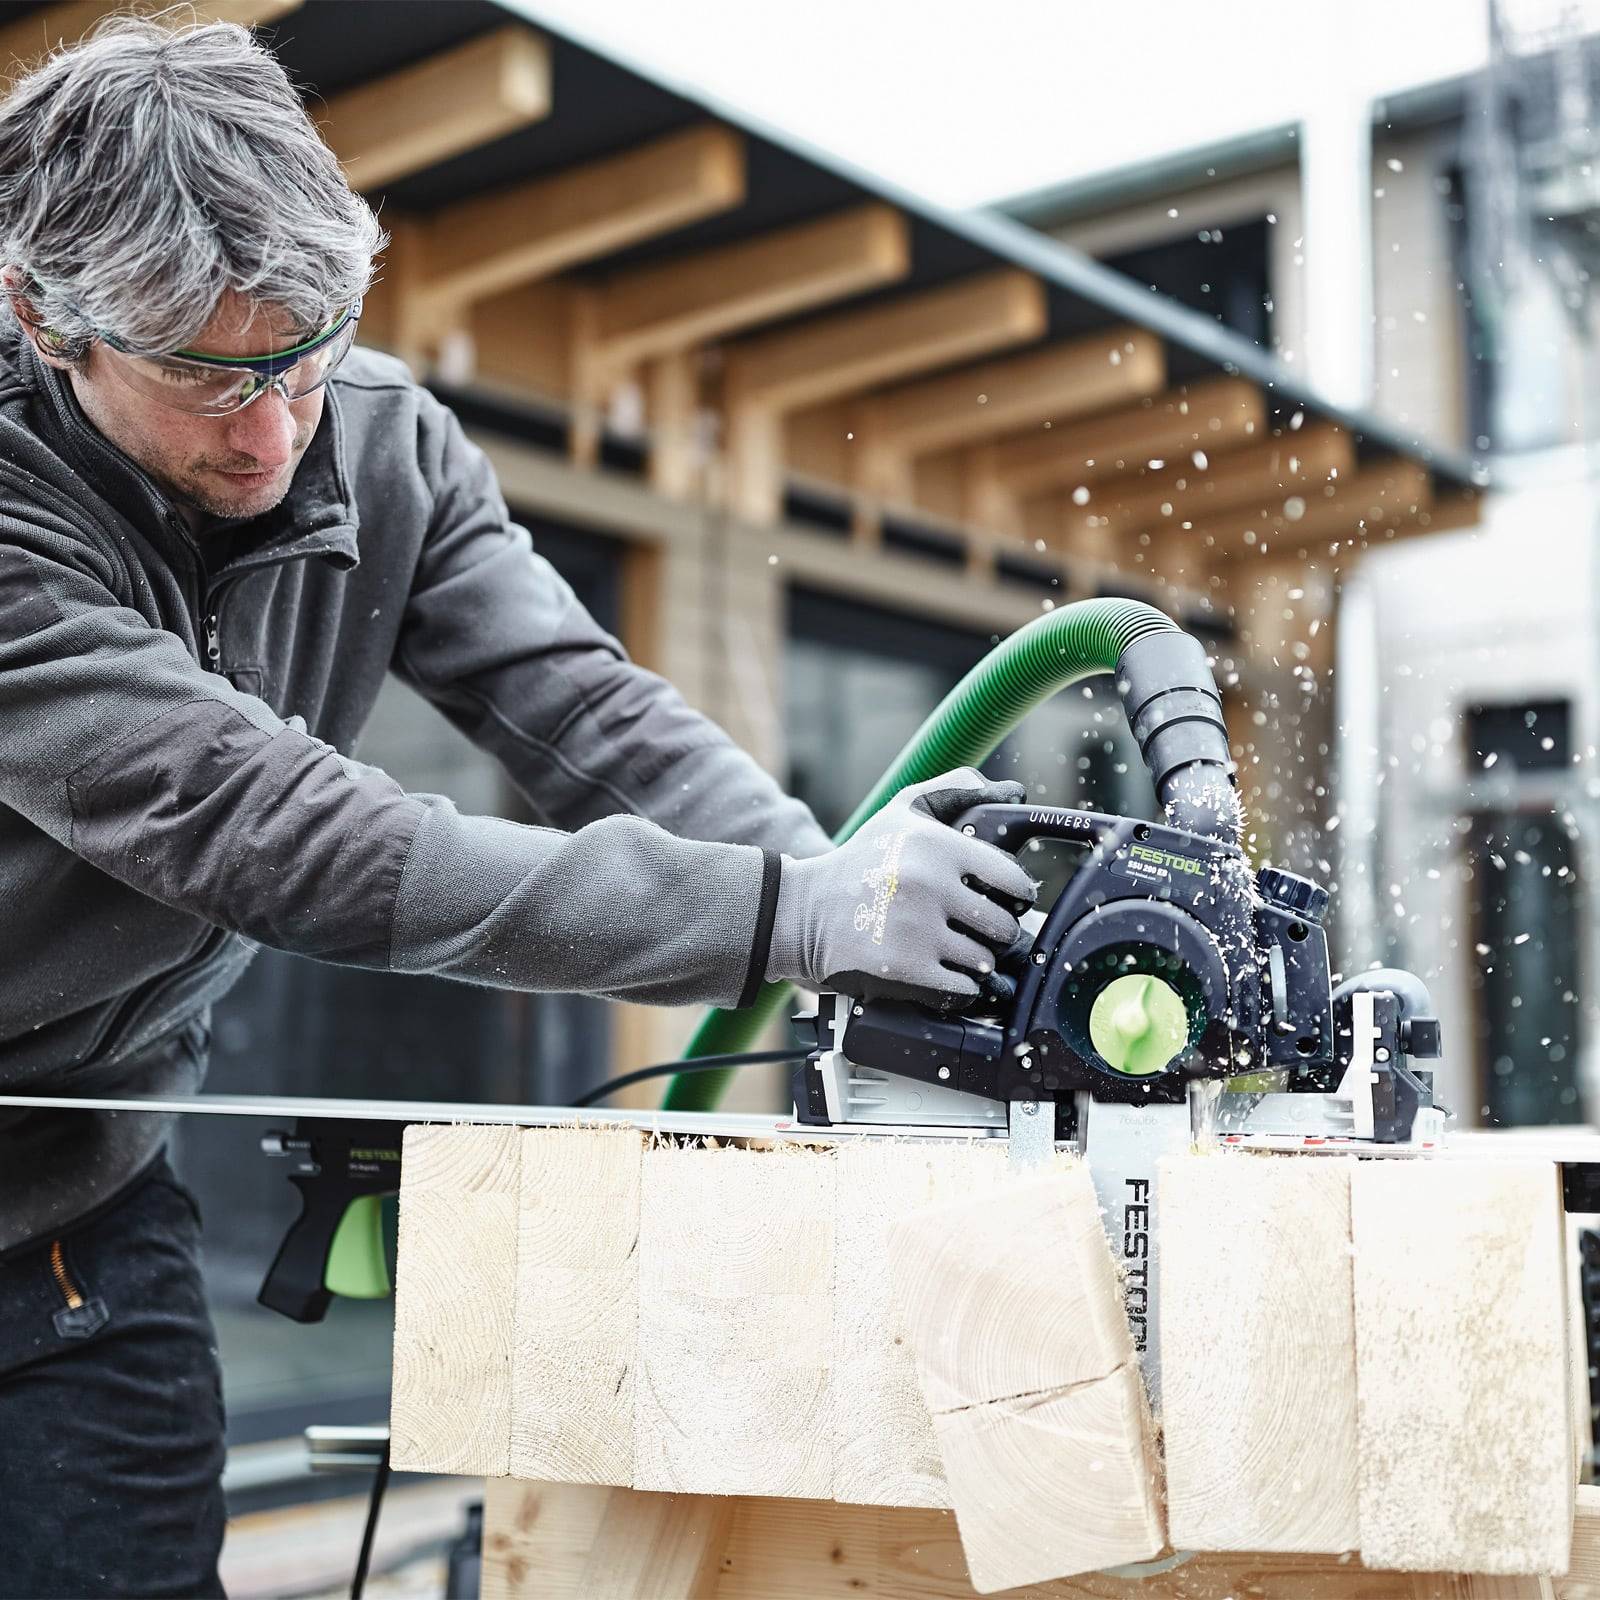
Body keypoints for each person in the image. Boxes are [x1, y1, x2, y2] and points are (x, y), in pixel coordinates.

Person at [0, 15, 1037, 1598]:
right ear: (41, 315)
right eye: (206, 375)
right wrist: (793, 916)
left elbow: (590, 716)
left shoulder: (383, 445)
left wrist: (846, 891)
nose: (272, 432)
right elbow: (280, 834)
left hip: (84, 1205)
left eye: (304, 351)